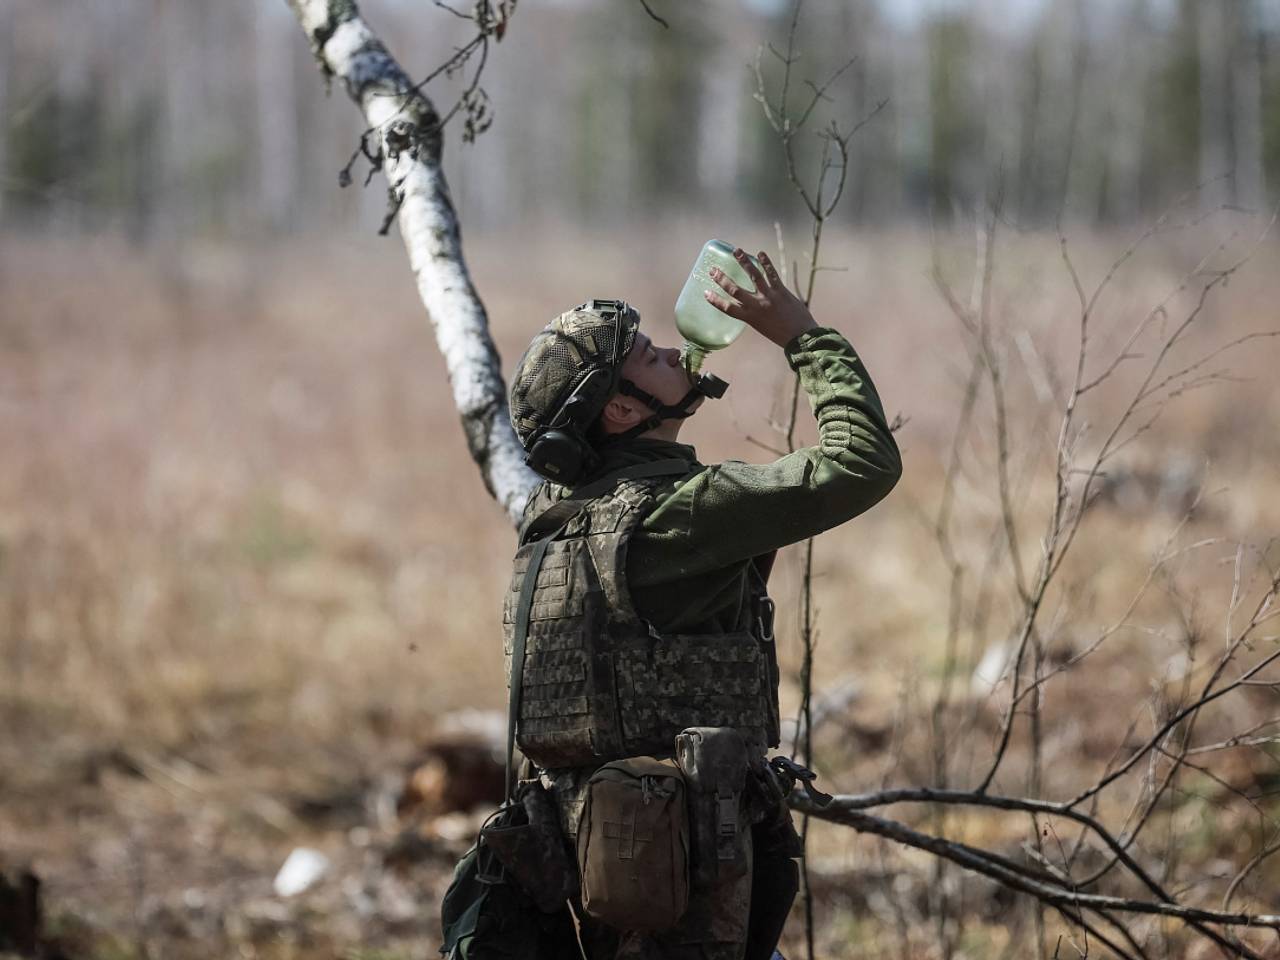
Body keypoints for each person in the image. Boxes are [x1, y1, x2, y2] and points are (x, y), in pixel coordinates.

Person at [504, 248, 901, 960]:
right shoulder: (678, 516)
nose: (669, 350)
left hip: (589, 861)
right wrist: (804, 336)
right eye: (647, 355)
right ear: (622, 409)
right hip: (681, 870)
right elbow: (862, 462)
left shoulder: (550, 525)